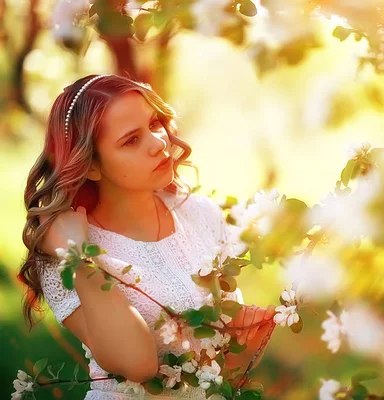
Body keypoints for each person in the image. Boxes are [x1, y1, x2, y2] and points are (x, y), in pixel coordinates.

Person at [18, 74, 276, 399]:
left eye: (154, 123)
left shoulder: (199, 215)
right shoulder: (64, 251)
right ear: (92, 165)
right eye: (131, 140)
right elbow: (137, 365)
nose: (159, 143)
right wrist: (79, 256)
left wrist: (247, 338)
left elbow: (224, 363)